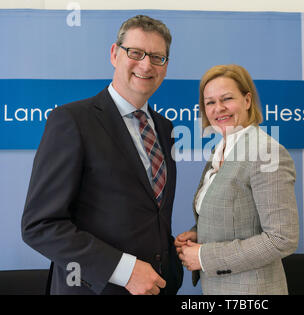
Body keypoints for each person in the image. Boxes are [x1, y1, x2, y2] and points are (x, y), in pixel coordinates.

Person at [21, 15, 183, 295]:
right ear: (114, 54)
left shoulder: (165, 128)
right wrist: (123, 270)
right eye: (135, 52)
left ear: (165, 66)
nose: (146, 64)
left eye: (157, 57)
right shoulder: (72, 120)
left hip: (157, 288)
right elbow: (40, 225)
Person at [175, 64, 299, 295]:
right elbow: (240, 216)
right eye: (210, 102)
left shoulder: (266, 152)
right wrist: (200, 232)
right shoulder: (222, 149)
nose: (218, 108)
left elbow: (282, 238)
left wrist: (204, 256)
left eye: (227, 98)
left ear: (247, 100)